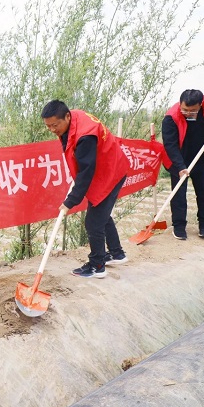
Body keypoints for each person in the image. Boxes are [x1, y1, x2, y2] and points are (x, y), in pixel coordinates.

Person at [41, 100, 130, 278]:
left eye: (55, 125)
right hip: (107, 167)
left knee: (93, 222)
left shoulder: (85, 135)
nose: (52, 129)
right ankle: (117, 254)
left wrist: (70, 201)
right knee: (101, 215)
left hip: (110, 172)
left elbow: (86, 173)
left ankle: (97, 266)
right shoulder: (73, 119)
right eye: (48, 126)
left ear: (67, 117)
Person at [161, 89, 204, 240]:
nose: (188, 113)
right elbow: (170, 146)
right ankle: (179, 227)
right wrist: (180, 167)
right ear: (180, 104)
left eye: (192, 110)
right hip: (179, 161)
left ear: (200, 105)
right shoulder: (171, 118)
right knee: (178, 195)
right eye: (185, 109)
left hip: (201, 159)